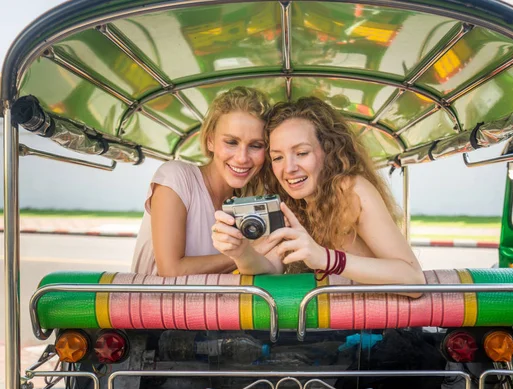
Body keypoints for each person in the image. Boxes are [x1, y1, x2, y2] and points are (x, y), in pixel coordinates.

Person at [211, 97, 425, 292]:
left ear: (328, 151)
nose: (289, 168)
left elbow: (413, 279)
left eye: (302, 153)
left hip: (369, 328)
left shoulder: (352, 190)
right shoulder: (287, 201)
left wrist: (325, 258)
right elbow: (270, 270)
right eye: (278, 158)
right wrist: (240, 252)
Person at [132, 87, 273, 277]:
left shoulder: (250, 199)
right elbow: (171, 270)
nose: (242, 158)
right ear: (210, 141)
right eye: (231, 142)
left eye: (256, 146)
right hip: (150, 305)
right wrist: (248, 252)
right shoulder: (176, 177)